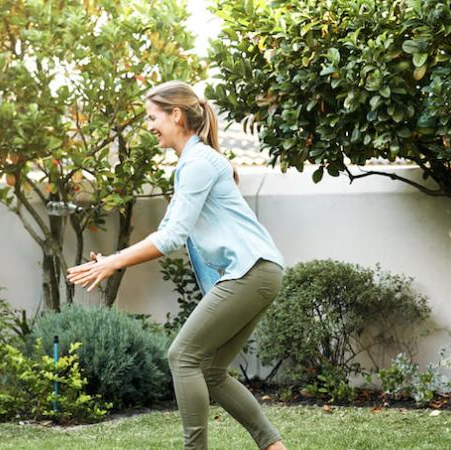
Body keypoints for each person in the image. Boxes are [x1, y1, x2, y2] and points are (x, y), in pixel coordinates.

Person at [68, 80, 288, 450]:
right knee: (211, 370)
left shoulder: (199, 163)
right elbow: (169, 230)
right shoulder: (193, 164)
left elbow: (169, 239)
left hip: (252, 271)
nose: (149, 126)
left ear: (176, 114)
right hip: (258, 271)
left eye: (153, 117)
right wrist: (110, 260)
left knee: (182, 356)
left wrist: (115, 263)